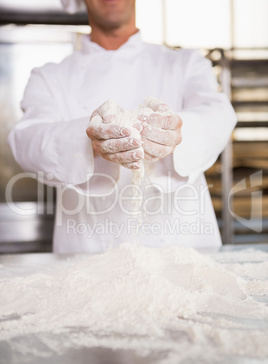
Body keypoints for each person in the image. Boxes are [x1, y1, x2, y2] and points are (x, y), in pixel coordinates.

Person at [8, 0, 237, 253]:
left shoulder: (186, 63)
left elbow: (219, 115)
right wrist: (88, 140)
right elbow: (26, 140)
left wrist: (179, 131)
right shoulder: (49, 77)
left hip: (183, 250)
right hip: (89, 255)